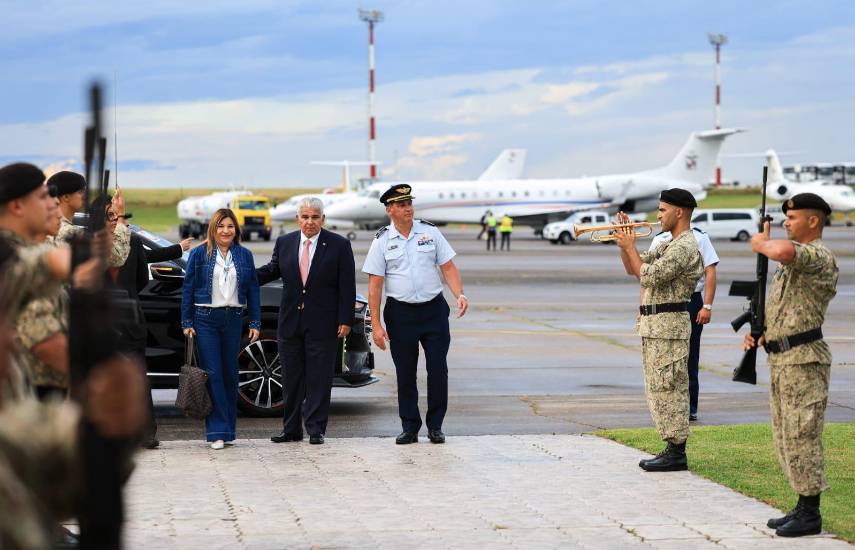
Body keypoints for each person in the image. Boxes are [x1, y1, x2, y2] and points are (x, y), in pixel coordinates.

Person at [743, 193, 838, 538]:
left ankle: (811, 513)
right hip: (782, 359)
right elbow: (786, 310)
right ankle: (801, 503)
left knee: (803, 434)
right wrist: (761, 333)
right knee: (786, 436)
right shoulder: (790, 267)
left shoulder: (818, 256)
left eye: (793, 218)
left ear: (813, 221)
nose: (787, 222)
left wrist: (761, 242)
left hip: (805, 361)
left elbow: (782, 250)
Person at [362, 184, 468, 444]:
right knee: (405, 373)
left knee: (437, 369)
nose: (408, 208)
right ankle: (410, 427)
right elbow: (375, 286)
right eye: (401, 204)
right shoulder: (382, 240)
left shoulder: (430, 232)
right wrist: (376, 325)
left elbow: (448, 267)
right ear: (390, 210)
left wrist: (459, 294)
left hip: (433, 311)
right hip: (401, 314)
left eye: (409, 203)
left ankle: (435, 426)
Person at [614, 188, 702, 471]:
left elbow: (651, 276)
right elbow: (634, 270)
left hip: (669, 327)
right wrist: (622, 245)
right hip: (655, 326)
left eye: (663, 210)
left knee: (670, 388)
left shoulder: (685, 246)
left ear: (679, 212)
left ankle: (677, 451)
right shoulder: (667, 243)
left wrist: (629, 246)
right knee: (658, 389)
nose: (658, 215)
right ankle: (671, 446)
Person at [257, 197, 355, 445]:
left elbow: (347, 286)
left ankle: (315, 429)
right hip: (290, 323)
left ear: (323, 219)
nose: (309, 222)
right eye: (305, 217)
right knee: (291, 379)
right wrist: (243, 274)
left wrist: (345, 319)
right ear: (297, 218)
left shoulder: (339, 245)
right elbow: (271, 270)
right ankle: (290, 430)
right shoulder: (285, 242)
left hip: (324, 323)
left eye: (315, 217)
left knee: (319, 379)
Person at [107, 197, 192, 449]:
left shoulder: (132, 241)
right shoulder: (89, 245)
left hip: (130, 322)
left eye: (115, 216)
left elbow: (143, 275)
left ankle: (146, 433)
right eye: (109, 216)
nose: (113, 221)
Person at [181, 209, 260, 450]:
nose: (225, 231)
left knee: (230, 375)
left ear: (236, 230)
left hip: (233, 319)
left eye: (230, 226)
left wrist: (255, 322)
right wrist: (187, 322)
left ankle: (229, 432)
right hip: (205, 319)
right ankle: (216, 432)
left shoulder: (245, 255)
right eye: (221, 226)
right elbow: (188, 288)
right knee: (213, 374)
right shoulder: (198, 254)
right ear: (213, 229)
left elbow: (253, 290)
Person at [648, 225, 719, 422]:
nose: (660, 216)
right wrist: (643, 308)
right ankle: (665, 405)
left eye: (664, 210)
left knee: (688, 354)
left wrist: (707, 305)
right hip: (662, 301)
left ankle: (689, 407)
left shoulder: (699, 238)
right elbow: (647, 278)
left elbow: (710, 271)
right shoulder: (659, 239)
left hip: (691, 299)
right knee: (662, 355)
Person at [50, 170, 131, 268]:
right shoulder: (69, 232)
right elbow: (117, 257)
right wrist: (121, 216)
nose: (85, 196)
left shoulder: (49, 228)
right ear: (66, 197)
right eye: (80, 192)